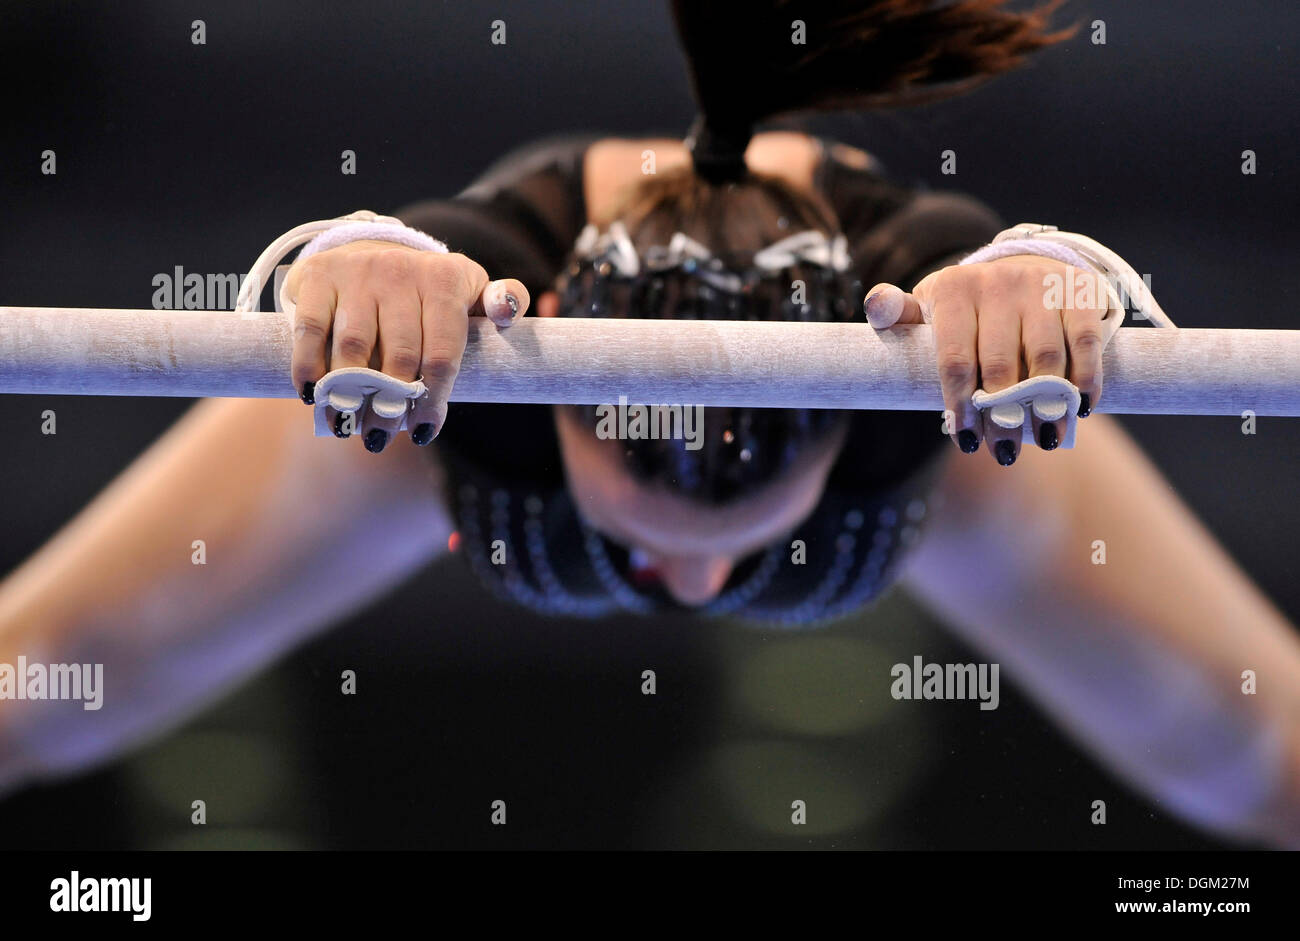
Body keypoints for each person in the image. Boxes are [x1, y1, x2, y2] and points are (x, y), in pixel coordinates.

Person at [1, 0, 1297, 846]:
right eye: (683, 547)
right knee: (37, 687)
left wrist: (1049, 281)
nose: (692, 588)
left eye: (716, 550)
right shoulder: (483, 341)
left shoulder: (911, 354)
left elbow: (1015, 267)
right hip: (439, 412)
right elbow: (378, 256)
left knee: (1261, 760)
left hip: (927, 429)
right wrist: (352, 266)